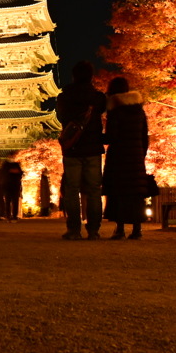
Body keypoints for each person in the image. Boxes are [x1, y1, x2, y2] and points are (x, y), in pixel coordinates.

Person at [56, 60, 107, 240]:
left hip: (72, 148)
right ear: (91, 76)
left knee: (71, 190)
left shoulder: (64, 96)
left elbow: (61, 117)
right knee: (94, 190)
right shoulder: (98, 97)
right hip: (93, 147)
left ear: (73, 76)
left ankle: (74, 229)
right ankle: (93, 230)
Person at [102, 77, 151, 239]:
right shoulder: (139, 110)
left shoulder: (115, 110)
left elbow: (111, 136)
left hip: (119, 157)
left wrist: (97, 137)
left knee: (119, 192)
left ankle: (120, 229)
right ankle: (137, 229)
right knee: (136, 193)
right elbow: (145, 137)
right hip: (136, 158)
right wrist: (140, 154)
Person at [1, 155, 23, 222]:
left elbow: (20, 173)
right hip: (10, 186)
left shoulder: (8, 165)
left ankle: (12, 216)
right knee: (10, 202)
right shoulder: (7, 165)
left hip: (12, 186)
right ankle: (10, 216)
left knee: (12, 202)